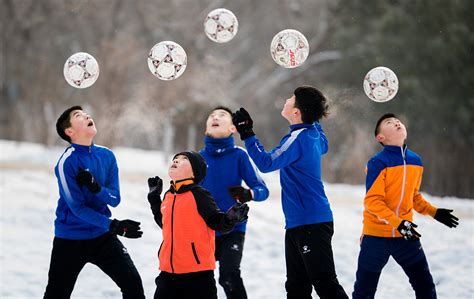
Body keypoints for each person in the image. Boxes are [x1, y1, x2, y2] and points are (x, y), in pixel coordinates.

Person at [232, 86, 348, 299]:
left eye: (291, 98)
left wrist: (247, 134)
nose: (286, 100)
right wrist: (315, 112)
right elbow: (324, 145)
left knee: (325, 284)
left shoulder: (298, 139)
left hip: (309, 222)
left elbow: (266, 163)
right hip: (300, 222)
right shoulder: (312, 134)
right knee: (296, 287)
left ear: (296, 111)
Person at [352, 113, 459, 299]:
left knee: (425, 285)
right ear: (380, 137)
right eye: (389, 122)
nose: (396, 123)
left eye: (398, 121)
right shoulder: (378, 162)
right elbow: (372, 201)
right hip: (376, 235)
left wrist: (434, 212)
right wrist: (398, 223)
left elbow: (414, 197)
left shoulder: (416, 161)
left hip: (406, 232)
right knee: (364, 291)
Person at [44, 106, 145, 299]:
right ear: (70, 131)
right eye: (78, 116)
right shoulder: (67, 162)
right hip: (70, 239)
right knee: (56, 294)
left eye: (85, 113)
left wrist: (97, 188)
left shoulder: (107, 155)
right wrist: (114, 225)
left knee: (133, 285)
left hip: (102, 236)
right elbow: (77, 209)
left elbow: (115, 199)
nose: (87, 115)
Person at [146, 151, 250, 299]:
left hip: (197, 276)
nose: (176, 161)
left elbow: (216, 222)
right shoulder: (168, 196)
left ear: (194, 172)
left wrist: (230, 218)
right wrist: (154, 198)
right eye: (176, 158)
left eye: (184, 160)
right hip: (168, 274)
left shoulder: (199, 194)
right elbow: (164, 223)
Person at [200, 106, 269, 299]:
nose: (215, 117)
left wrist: (249, 194)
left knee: (228, 276)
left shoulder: (239, 155)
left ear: (233, 129)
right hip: (204, 229)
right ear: (206, 129)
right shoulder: (197, 159)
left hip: (233, 229)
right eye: (211, 115)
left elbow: (263, 190)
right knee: (198, 279)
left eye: (222, 115)